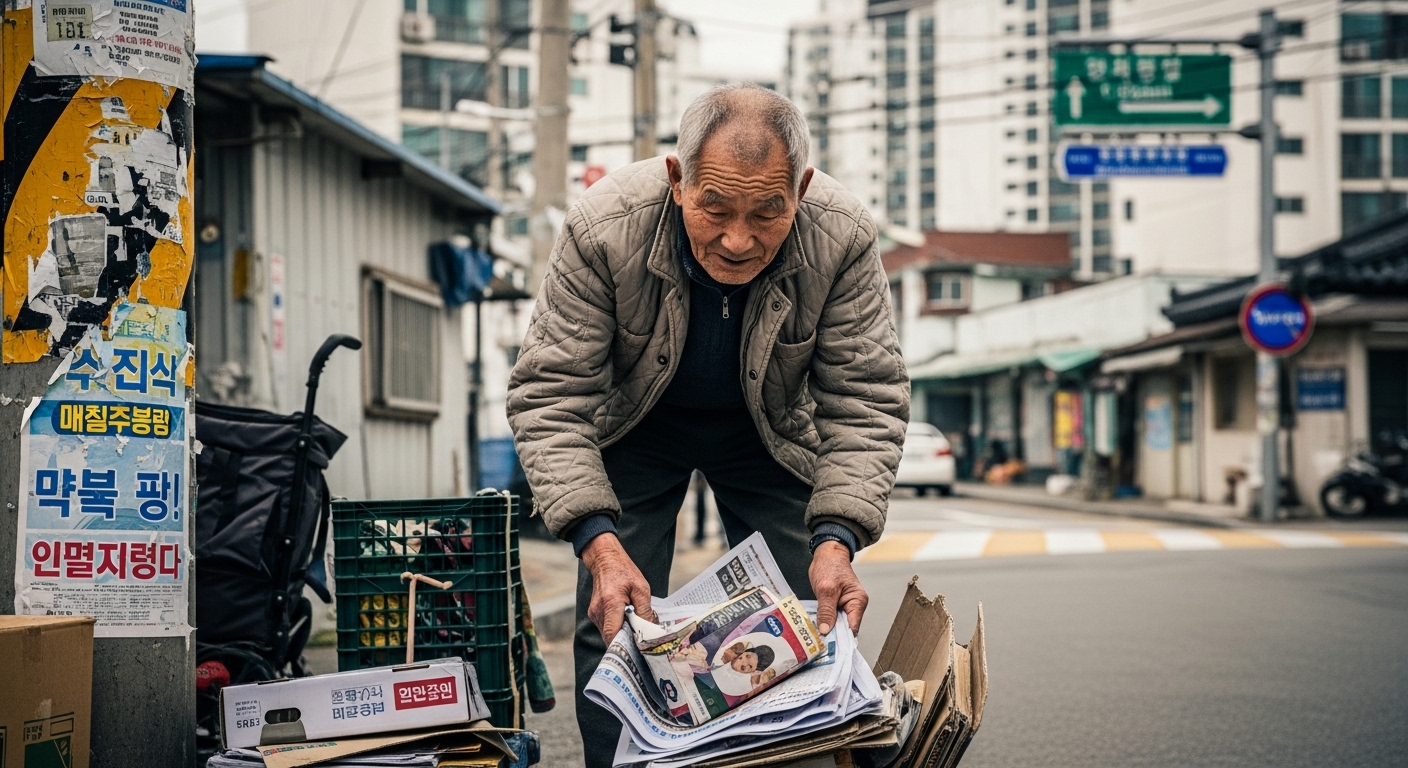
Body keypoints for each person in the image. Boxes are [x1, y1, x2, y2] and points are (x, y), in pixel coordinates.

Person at [506, 83, 909, 765]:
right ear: (676, 181)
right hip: (636, 425)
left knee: (811, 612)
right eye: (715, 208)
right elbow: (551, 392)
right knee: (614, 620)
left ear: (802, 190)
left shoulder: (842, 235)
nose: (738, 239)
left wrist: (837, 538)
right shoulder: (604, 225)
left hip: (771, 430)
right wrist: (598, 546)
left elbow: (865, 394)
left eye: (767, 213)